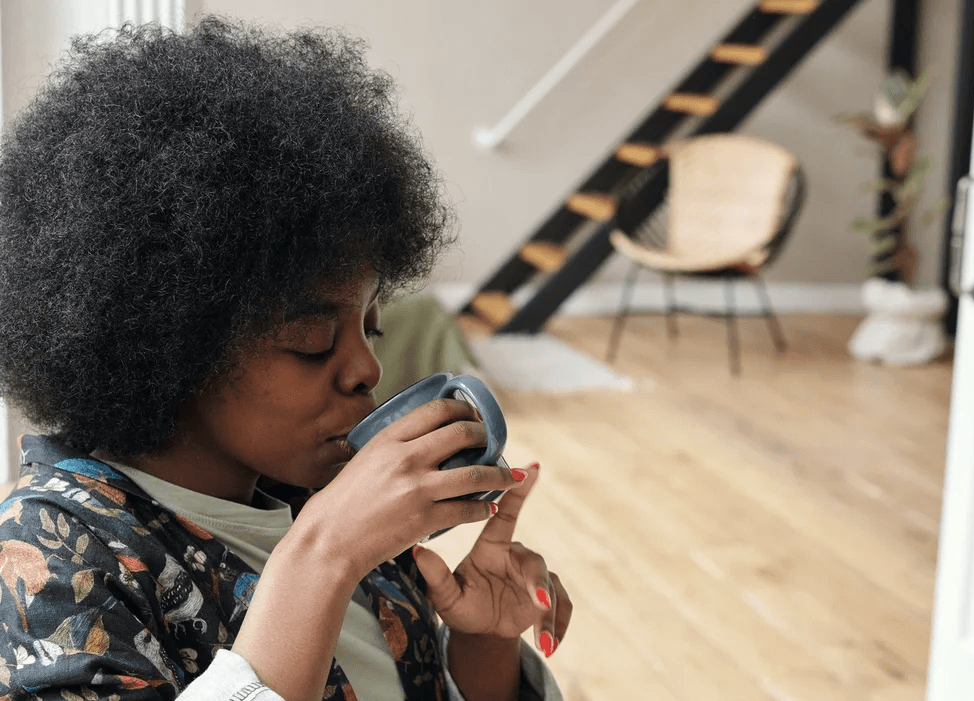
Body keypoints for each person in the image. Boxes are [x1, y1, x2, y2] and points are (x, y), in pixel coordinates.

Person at [0, 15, 570, 701]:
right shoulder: (50, 561)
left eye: (371, 328)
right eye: (311, 340)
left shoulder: (330, 504)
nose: (366, 370)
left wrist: (483, 644)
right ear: (175, 338)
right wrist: (323, 556)